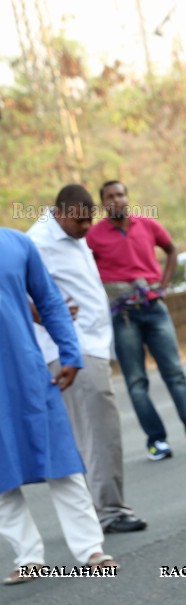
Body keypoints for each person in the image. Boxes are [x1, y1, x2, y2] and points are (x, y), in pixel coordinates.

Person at [1, 227, 118, 585]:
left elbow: (50, 300)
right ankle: (28, 556)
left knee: (61, 461)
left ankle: (90, 550)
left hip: (27, 372)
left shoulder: (16, 243)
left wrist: (70, 351)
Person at [28, 185, 147, 534]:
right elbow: (11, 291)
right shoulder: (37, 243)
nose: (86, 228)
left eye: (88, 220)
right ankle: (110, 512)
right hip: (72, 349)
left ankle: (99, 512)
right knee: (100, 432)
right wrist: (41, 313)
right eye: (80, 221)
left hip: (93, 344)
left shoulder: (74, 235)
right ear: (60, 213)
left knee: (91, 433)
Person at [86, 181, 186, 460]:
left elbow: (171, 250)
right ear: (103, 204)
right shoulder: (93, 236)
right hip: (122, 315)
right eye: (110, 197)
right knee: (136, 381)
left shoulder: (147, 224)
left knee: (175, 374)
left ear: (128, 197)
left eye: (120, 194)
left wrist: (162, 286)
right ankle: (156, 440)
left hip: (154, 308)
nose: (116, 200)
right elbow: (84, 269)